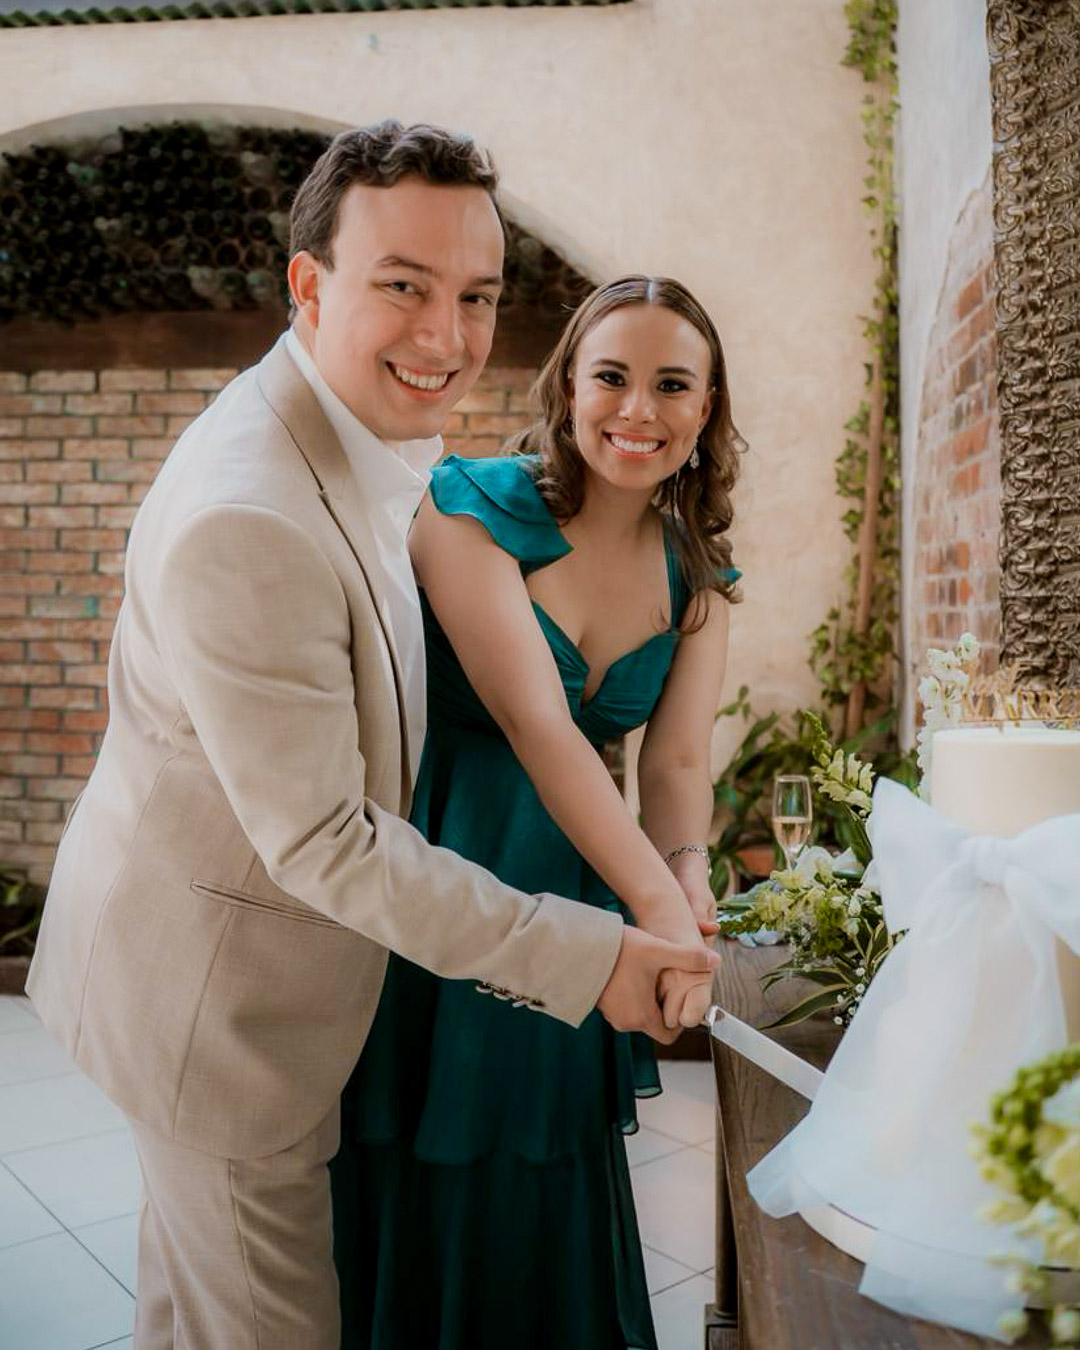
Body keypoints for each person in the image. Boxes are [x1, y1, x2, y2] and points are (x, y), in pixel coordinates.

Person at [24, 124, 719, 1350]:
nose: (445, 336)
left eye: (476, 296)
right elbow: (327, 843)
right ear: (309, 282)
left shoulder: (362, 437)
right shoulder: (251, 512)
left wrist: (679, 874)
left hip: (272, 968)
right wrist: (595, 956)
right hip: (219, 1014)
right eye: (403, 285)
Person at [331, 274, 742, 1350]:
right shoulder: (470, 507)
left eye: (672, 385)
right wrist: (660, 910)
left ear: (706, 408)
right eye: (611, 377)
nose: (638, 410)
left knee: (542, 1160)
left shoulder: (698, 578)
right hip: (446, 865)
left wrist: (686, 871)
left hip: (578, 881)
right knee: (426, 1148)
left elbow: (676, 762)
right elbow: (539, 725)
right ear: (567, 387)